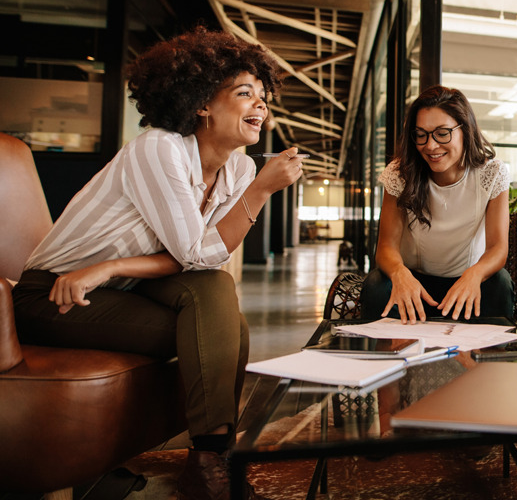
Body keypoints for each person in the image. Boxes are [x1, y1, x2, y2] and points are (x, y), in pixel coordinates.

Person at [11, 26, 303, 500]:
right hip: (51, 294)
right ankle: (212, 465)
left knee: (214, 295)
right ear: (202, 102)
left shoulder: (240, 168)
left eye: (263, 96)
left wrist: (109, 268)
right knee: (223, 332)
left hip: (117, 286)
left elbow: (201, 259)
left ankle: (209, 459)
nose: (261, 105)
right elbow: (195, 252)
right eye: (245, 93)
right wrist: (263, 191)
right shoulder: (160, 148)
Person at [359, 85, 512, 323]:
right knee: (377, 285)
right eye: (421, 134)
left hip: (467, 279)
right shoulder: (401, 173)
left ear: (465, 130)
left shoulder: (491, 173)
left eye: (442, 133)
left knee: (500, 283)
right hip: (415, 282)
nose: (430, 146)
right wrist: (400, 274)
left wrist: (475, 274)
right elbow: (386, 246)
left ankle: (487, 358)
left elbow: (498, 248)